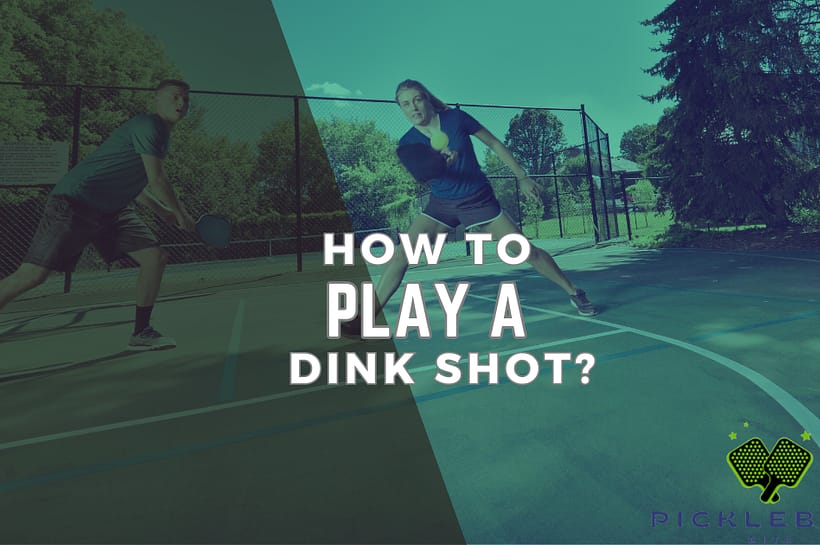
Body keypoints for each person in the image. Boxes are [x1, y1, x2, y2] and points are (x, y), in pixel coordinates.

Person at [342, 79, 597, 337]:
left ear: (427, 100)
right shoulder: (407, 143)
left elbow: (495, 144)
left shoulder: (456, 119)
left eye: (417, 100)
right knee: (401, 255)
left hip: (478, 200)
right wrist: (440, 163)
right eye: (406, 104)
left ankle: (574, 291)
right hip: (441, 206)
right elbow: (424, 173)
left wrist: (522, 176)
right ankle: (366, 318)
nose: (413, 108)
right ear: (402, 109)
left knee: (524, 251)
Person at [0, 79, 196, 350]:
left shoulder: (161, 137)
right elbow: (158, 180)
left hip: (111, 211)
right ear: (156, 99)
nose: (182, 103)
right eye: (175, 97)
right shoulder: (149, 125)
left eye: (186, 99)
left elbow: (138, 187)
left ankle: (142, 333)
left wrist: (162, 210)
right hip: (74, 202)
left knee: (155, 257)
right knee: (32, 275)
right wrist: (181, 212)